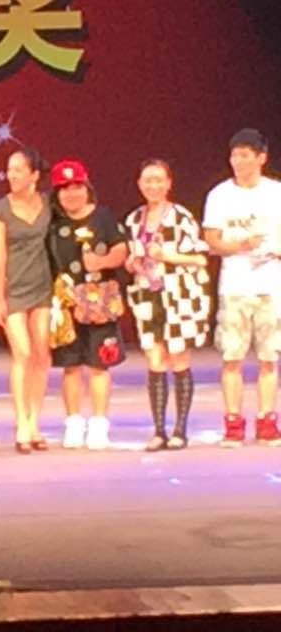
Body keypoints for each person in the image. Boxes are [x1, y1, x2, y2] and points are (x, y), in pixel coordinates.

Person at [124, 159, 211, 451]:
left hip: (179, 296)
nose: (153, 185)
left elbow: (200, 258)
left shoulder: (181, 217)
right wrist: (133, 263)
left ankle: (180, 430)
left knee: (179, 358)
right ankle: (159, 430)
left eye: (158, 180)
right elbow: (133, 256)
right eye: (148, 180)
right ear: (139, 184)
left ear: (169, 183)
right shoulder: (134, 219)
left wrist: (169, 256)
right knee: (155, 360)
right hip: (147, 295)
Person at [202, 128, 281, 447]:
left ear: (261, 158)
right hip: (234, 286)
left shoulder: (275, 193)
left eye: (245, 155)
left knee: (269, 357)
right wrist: (239, 245)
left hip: (270, 286)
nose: (238, 161)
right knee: (231, 357)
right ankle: (233, 421)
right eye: (235, 155)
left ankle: (267, 419)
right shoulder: (220, 195)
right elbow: (211, 240)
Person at [47, 159, 129, 450]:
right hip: (66, 305)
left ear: (87, 188)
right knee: (70, 366)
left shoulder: (103, 217)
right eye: (65, 188)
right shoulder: (53, 223)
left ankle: (98, 424)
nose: (72, 193)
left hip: (99, 303)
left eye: (77, 187)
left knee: (99, 364)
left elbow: (121, 250)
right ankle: (73, 423)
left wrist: (101, 262)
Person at [0, 148, 54, 453]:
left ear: (34, 175)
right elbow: (0, 256)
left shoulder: (48, 204)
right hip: (14, 288)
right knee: (23, 353)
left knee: (42, 354)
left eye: (19, 170)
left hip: (43, 286)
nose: (12, 175)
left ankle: (34, 421)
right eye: (10, 169)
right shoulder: (0, 209)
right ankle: (21, 423)